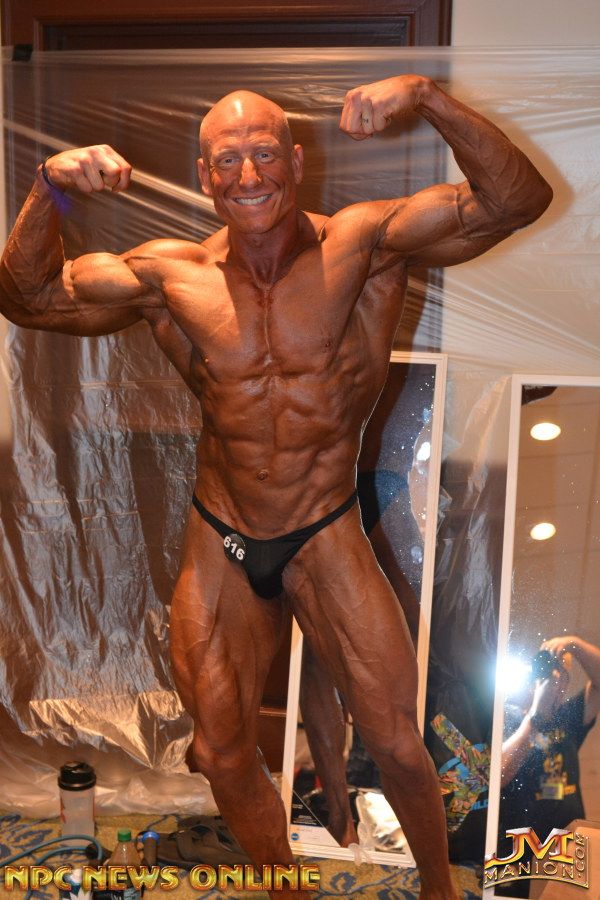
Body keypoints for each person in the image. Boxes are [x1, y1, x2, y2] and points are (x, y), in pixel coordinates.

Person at [0, 74, 552, 899]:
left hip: (324, 527)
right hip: (221, 531)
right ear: (204, 175)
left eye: (264, 155)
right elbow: (29, 298)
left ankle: (440, 889)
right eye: (228, 161)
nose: (249, 175)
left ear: (296, 162)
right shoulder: (170, 274)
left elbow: (515, 202)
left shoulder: (365, 244)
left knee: (396, 744)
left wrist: (428, 98)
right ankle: (286, 893)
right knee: (220, 751)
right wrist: (50, 188)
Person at [497, 636, 600, 898]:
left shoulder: (568, 718)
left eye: (563, 676)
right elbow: (498, 775)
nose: (558, 683)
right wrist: (536, 714)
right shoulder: (507, 719)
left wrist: (575, 645)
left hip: (567, 849)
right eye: (550, 675)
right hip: (520, 855)